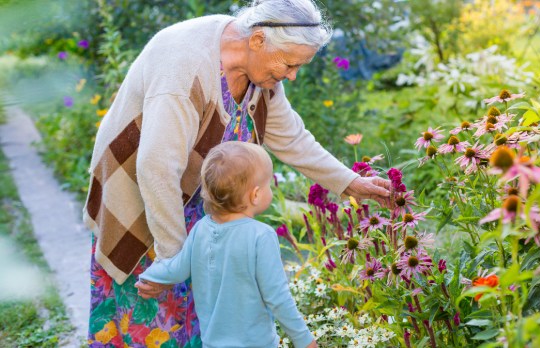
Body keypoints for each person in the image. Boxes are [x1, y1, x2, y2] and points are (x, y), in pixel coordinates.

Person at [84, 0, 390, 346]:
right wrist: (175, 262)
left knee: (201, 317)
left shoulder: (259, 68)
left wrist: (350, 182)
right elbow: (156, 169)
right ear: (258, 41)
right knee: (151, 320)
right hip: (145, 197)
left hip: (205, 202)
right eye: (290, 64)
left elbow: (291, 138)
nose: (292, 75)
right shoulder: (185, 65)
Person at [137, 142, 317, 348]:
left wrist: (149, 277)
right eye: (268, 183)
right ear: (255, 194)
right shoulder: (261, 236)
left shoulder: (201, 229)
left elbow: (177, 268)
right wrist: (304, 339)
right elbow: (278, 297)